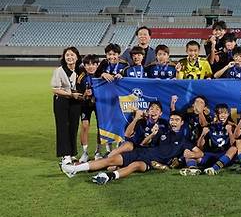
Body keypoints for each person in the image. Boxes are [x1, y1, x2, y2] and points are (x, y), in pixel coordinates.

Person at [61, 111, 203, 185]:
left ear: (182, 122)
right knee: (110, 160)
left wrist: (191, 155)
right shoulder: (162, 131)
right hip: (141, 152)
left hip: (150, 163)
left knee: (135, 166)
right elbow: (143, 144)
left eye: (176, 120)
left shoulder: (185, 142)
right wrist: (152, 135)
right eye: (172, 119)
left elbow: (200, 152)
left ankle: (108, 177)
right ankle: (74, 169)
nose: (173, 122)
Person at [183, 104, 238, 176]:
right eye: (220, 113)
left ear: (228, 114)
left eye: (225, 113)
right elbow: (200, 146)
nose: (222, 116)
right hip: (210, 155)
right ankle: (193, 169)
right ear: (216, 114)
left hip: (224, 156)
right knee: (188, 152)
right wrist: (203, 134)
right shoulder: (210, 126)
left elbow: (233, 144)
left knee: (234, 148)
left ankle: (214, 169)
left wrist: (230, 132)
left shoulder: (232, 126)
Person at [52, 47, 84, 165]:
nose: (69, 57)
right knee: (62, 127)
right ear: (64, 58)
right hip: (62, 101)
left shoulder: (80, 70)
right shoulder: (59, 71)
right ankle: (65, 155)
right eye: (67, 55)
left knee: (73, 127)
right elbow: (55, 89)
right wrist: (71, 94)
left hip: (75, 102)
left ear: (77, 57)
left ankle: (71, 153)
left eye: (72, 55)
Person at [77, 54, 102, 162]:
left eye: (93, 64)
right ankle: (85, 152)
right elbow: (78, 95)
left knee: (101, 127)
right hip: (85, 104)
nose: (90, 67)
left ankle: (98, 152)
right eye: (88, 64)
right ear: (84, 65)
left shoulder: (102, 75)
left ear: (97, 65)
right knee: (85, 126)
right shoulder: (81, 77)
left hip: (99, 104)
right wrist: (85, 95)